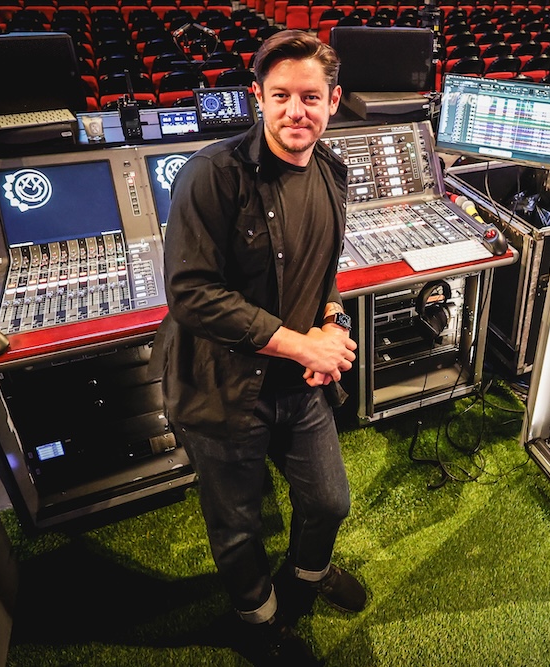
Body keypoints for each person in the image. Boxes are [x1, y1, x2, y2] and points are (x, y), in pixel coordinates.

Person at [150, 30, 366, 665]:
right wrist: (304, 346)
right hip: (220, 390)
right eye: (281, 96)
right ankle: (258, 618)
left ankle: (308, 574)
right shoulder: (210, 176)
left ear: (333, 101)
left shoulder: (332, 171)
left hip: (296, 383)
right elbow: (191, 294)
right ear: (258, 97)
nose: (296, 111)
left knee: (329, 500)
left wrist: (331, 322)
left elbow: (322, 268)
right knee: (237, 524)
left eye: (310, 97)